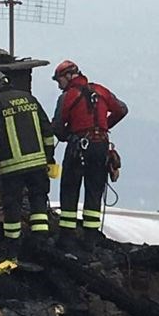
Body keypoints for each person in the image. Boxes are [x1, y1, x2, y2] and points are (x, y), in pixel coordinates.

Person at [0, 68, 55, 257]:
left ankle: (12, 247)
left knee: (12, 207)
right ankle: (41, 244)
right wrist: (49, 157)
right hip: (38, 164)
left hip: (11, 167)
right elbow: (48, 131)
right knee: (38, 203)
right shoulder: (29, 99)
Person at [51, 60, 127, 241]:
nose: (58, 85)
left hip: (78, 146)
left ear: (68, 76)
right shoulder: (100, 91)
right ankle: (91, 238)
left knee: (70, 189)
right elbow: (121, 109)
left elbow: (58, 127)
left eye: (59, 80)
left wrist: (69, 135)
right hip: (100, 146)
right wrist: (103, 127)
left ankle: (67, 238)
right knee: (94, 190)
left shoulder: (67, 96)